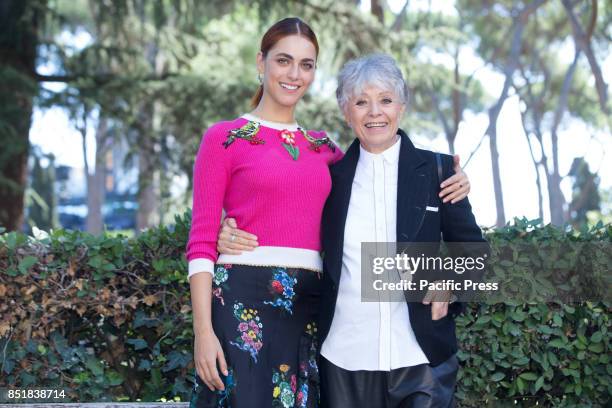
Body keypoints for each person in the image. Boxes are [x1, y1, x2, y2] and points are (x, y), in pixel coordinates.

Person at [189, 18, 471, 408]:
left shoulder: (327, 154)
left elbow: (464, 249)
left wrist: (445, 277)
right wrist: (203, 327)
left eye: (306, 64)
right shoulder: (236, 141)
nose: (294, 73)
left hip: (328, 324)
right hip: (267, 317)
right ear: (261, 62)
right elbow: (206, 238)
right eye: (284, 60)